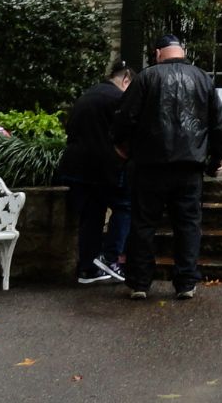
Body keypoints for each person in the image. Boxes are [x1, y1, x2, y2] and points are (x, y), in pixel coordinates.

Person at [113, 33, 222, 301]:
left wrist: (121, 146)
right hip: (189, 166)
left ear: (157, 53)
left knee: (143, 224)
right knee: (188, 224)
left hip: (150, 164)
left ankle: (140, 283)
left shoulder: (146, 77)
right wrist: (216, 157)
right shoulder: (202, 78)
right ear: (182, 51)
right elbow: (218, 122)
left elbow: (125, 116)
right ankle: (186, 282)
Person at [57, 59, 133, 284]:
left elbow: (70, 129)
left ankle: (87, 268)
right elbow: (124, 132)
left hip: (74, 166)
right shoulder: (119, 99)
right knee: (125, 206)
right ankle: (110, 257)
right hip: (104, 165)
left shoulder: (85, 96)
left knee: (91, 215)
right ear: (126, 78)